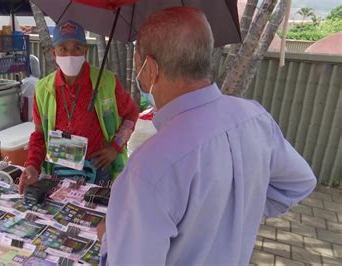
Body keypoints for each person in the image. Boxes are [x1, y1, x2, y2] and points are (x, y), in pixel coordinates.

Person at [100, 7, 317, 265]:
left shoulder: (147, 171)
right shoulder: (255, 117)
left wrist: (107, 240)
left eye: (138, 63)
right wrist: (236, 212)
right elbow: (300, 182)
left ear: (150, 69)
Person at [19, 20, 139, 194]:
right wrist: (32, 165)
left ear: (85, 50)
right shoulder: (43, 89)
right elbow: (39, 135)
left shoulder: (106, 82)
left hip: (98, 170)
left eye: (77, 47)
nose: (70, 54)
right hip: (58, 170)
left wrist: (115, 147)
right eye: (63, 48)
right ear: (54, 53)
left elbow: (131, 112)